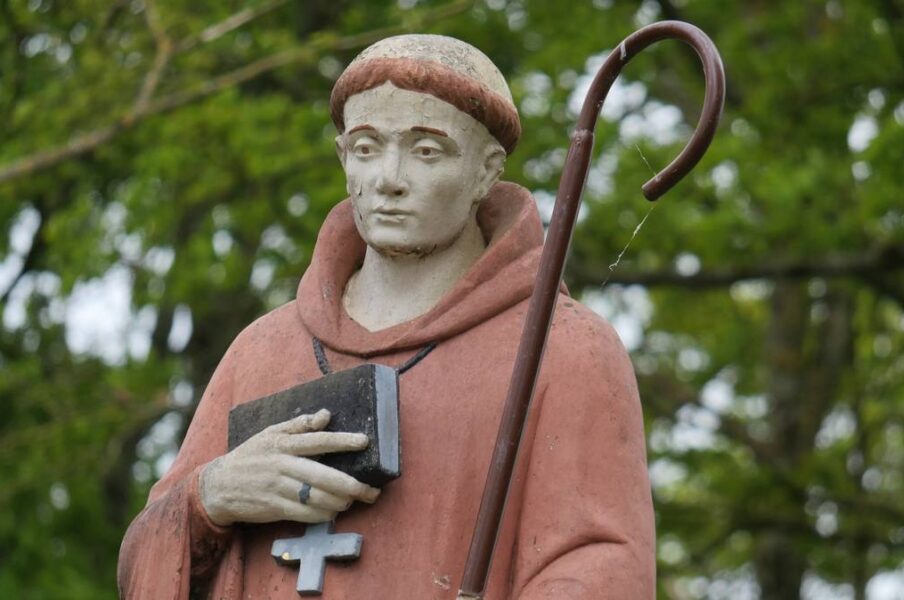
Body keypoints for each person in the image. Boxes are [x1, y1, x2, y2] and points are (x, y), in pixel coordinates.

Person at [118, 34, 655, 599]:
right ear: (343, 156)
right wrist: (211, 496)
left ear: (486, 170)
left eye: (426, 150)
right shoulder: (262, 349)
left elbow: (599, 568)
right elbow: (145, 561)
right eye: (368, 147)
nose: (388, 179)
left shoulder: (565, 348)